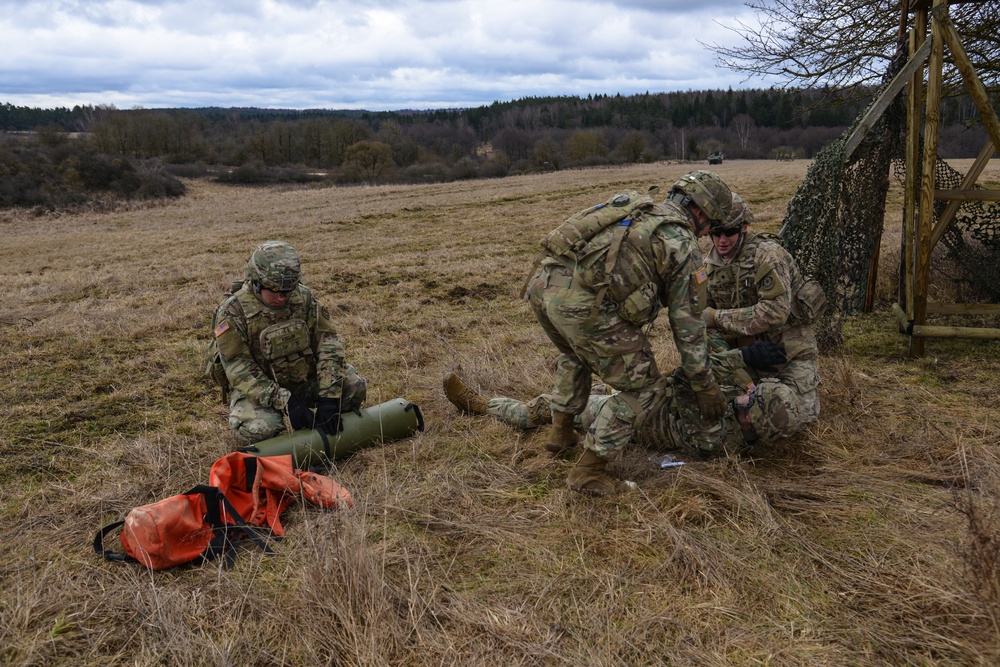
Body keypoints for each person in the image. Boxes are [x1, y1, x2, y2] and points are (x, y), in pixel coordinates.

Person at [523, 170, 735, 496]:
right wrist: (704, 385)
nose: (708, 235)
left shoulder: (636, 208)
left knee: (576, 353)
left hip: (543, 286)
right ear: (700, 212)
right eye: (711, 226)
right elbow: (688, 325)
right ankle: (588, 472)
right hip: (582, 307)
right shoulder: (680, 242)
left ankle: (561, 433)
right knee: (647, 389)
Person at [442, 339, 787, 460]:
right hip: (647, 400)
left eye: (754, 397)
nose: (750, 391)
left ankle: (482, 406)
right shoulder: (740, 426)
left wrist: (740, 359)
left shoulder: (713, 433)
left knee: (550, 406)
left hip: (629, 416)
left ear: (752, 416)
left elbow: (684, 377)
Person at [207, 240, 367, 444]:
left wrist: (329, 398)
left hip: (303, 379)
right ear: (256, 282)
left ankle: (335, 433)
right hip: (260, 388)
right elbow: (239, 369)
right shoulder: (233, 311)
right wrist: (286, 401)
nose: (282, 298)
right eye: (274, 291)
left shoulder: (304, 298)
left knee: (354, 387)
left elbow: (328, 345)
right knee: (258, 429)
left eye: (288, 291)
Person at [701, 194, 823, 444]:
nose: (722, 240)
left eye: (730, 231)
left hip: (786, 352)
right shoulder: (708, 267)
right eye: (716, 232)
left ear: (744, 227)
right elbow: (703, 326)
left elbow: (775, 311)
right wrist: (734, 362)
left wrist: (718, 318)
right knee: (722, 412)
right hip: (747, 356)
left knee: (793, 421)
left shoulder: (767, 255)